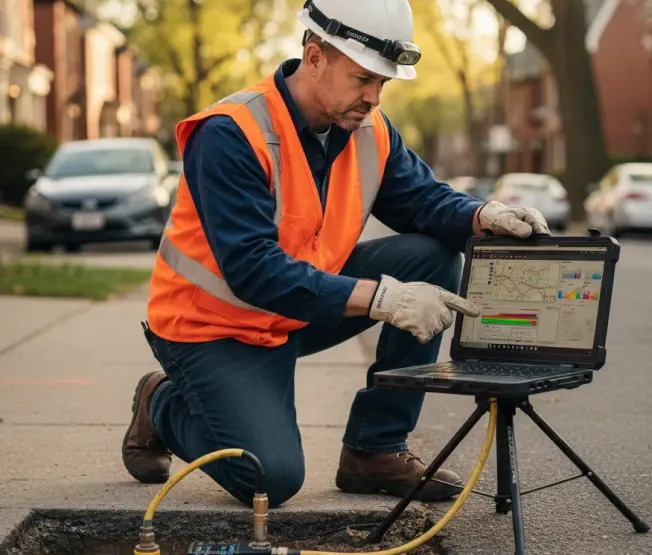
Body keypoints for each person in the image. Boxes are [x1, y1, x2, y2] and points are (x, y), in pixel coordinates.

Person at [121, 0, 550, 508]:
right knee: (270, 479)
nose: (372, 97)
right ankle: (161, 400)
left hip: (294, 311)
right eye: (361, 78)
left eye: (382, 84)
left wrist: (482, 216)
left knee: (431, 256)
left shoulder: (367, 128)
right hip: (212, 329)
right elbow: (252, 269)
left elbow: (424, 201)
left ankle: (375, 449)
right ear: (315, 55)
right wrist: (381, 298)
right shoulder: (230, 134)